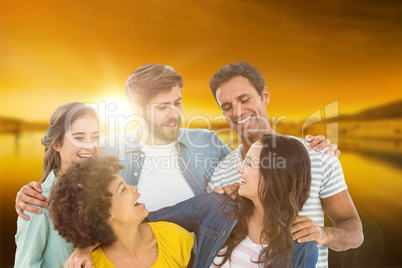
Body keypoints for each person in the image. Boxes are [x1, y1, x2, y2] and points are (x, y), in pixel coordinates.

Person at [15, 64, 333, 216]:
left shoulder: (208, 143)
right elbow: (67, 184)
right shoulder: (107, 149)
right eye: (163, 107)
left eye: (178, 102)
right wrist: (31, 192)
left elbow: (258, 166)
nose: (175, 114)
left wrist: (310, 148)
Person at [208, 62, 364, 267]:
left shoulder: (317, 156)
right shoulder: (221, 175)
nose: (237, 112)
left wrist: (324, 234)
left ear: (265, 95)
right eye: (226, 107)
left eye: (244, 99)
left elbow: (354, 231)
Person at [148, 134, 318, 267]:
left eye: (249, 163)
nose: (239, 168)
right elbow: (147, 223)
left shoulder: (303, 248)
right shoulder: (215, 206)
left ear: (275, 176)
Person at [48, 155, 194, 268]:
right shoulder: (92, 264)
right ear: (104, 214)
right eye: (123, 189)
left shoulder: (175, 237)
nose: (134, 188)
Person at [14, 102, 100, 268]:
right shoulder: (37, 201)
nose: (90, 145)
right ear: (57, 144)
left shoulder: (104, 192)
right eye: (79, 138)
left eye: (95, 137)